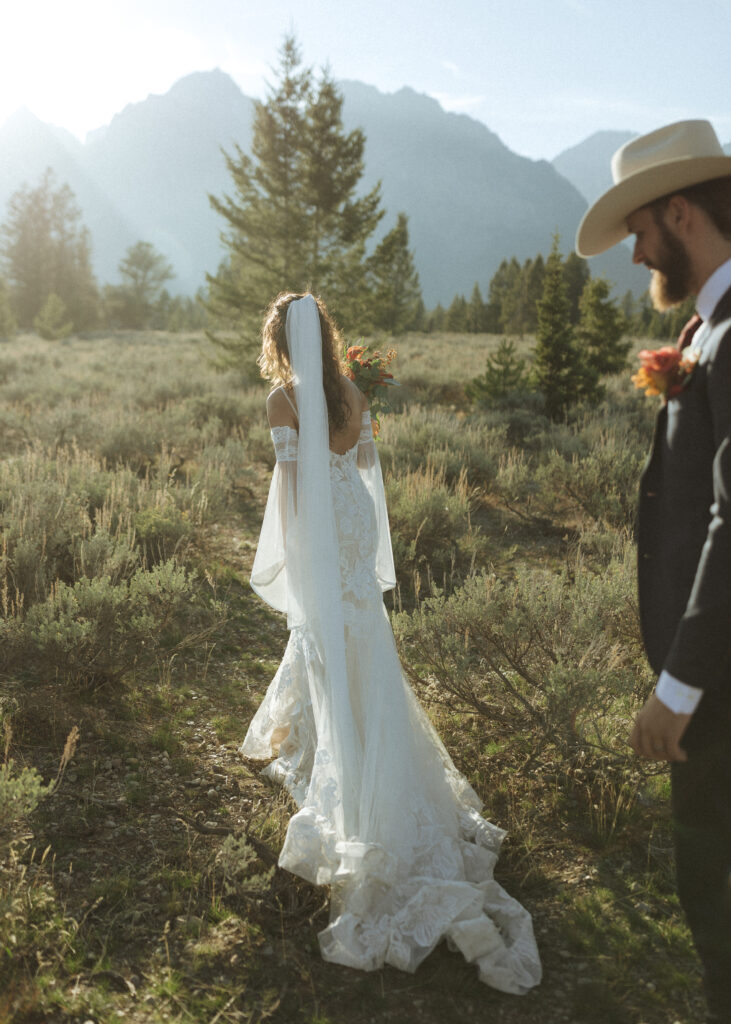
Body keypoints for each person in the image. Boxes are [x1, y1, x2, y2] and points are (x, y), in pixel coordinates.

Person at [240, 291, 541, 993]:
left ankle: (353, 789)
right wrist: (365, 547)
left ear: (280, 339)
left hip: (318, 529)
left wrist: (291, 561)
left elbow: (288, 488)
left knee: (324, 646)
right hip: (350, 526)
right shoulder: (349, 390)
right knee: (364, 646)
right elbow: (367, 476)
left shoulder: (283, 400)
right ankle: (369, 760)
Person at [576, 120, 731, 1022]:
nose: (635, 253)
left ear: (681, 211)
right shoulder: (703, 332)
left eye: (639, 230)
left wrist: (678, 686)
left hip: (719, 684)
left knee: (710, 887)